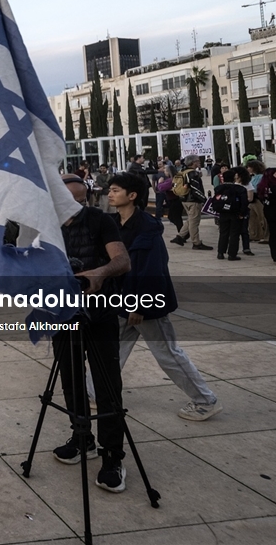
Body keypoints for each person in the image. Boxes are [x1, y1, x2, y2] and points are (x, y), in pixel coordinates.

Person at [94, 173, 222, 420]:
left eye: (115, 190)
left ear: (132, 195)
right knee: (110, 350)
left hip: (145, 305)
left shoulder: (147, 227)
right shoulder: (113, 223)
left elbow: (152, 269)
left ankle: (205, 401)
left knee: (168, 353)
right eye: (110, 190)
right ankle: (94, 393)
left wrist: (139, 305)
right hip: (120, 301)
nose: (110, 194)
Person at [51, 174, 131, 493]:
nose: (75, 207)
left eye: (80, 200)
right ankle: (82, 438)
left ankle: (113, 456)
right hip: (61, 313)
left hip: (100, 313)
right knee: (71, 380)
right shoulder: (44, 225)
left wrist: (100, 272)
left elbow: (122, 260)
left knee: (107, 385)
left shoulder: (100, 220)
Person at [170, 155, 213, 250]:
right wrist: (204, 199)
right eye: (197, 161)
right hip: (193, 200)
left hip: (184, 199)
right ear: (193, 163)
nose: (199, 162)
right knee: (194, 222)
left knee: (191, 219)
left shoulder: (183, 171)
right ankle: (196, 242)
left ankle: (180, 236)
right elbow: (195, 189)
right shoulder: (193, 173)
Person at [213, 167, 249, 261]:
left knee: (223, 233)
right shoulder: (240, 189)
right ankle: (232, 254)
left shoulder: (219, 188)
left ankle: (220, 252)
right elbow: (244, 202)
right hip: (235, 213)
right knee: (234, 234)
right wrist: (242, 213)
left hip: (223, 213)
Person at [246, 160, 269, 245]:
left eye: (249, 167)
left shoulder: (261, 177)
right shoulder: (253, 177)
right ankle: (255, 235)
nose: (248, 169)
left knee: (262, 218)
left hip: (258, 199)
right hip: (252, 199)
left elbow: (256, 188)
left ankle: (266, 236)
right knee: (253, 218)